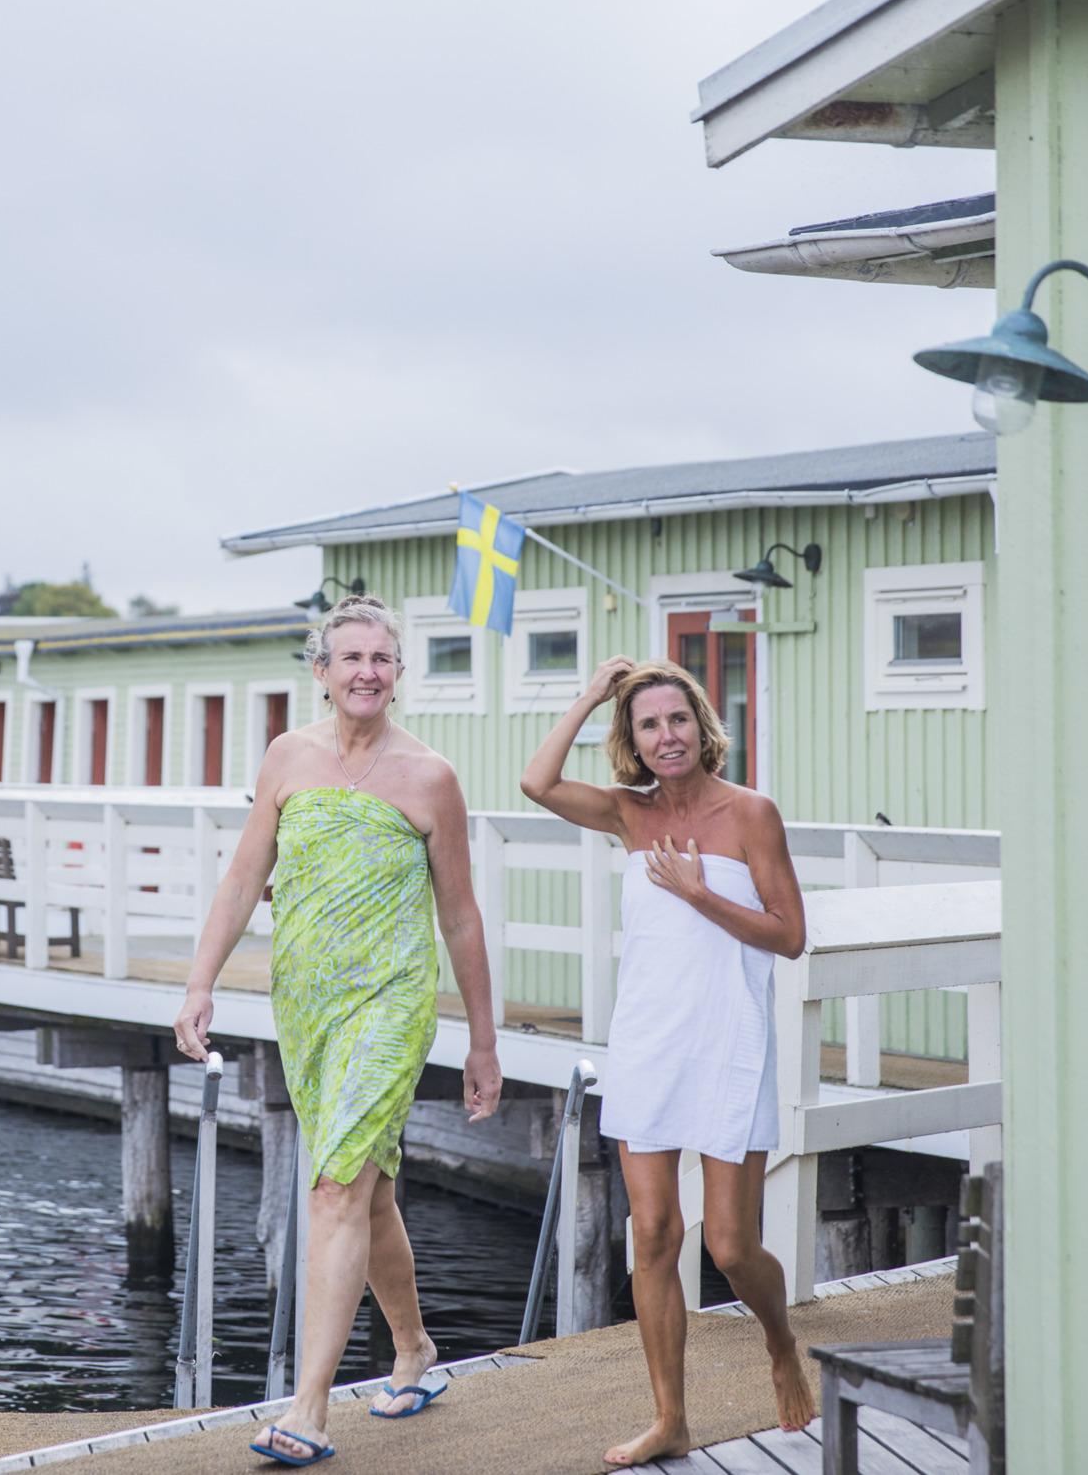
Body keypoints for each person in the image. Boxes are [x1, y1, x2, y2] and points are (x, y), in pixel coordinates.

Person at [172, 596, 502, 1467]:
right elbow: (245, 876)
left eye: (381, 659)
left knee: (331, 1190)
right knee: (366, 1190)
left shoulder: (431, 777)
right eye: (349, 657)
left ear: (398, 674)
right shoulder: (288, 756)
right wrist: (200, 982)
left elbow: (461, 918)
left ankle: (309, 1408)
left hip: (392, 1004)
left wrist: (482, 1039)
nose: (365, 671)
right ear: (320, 670)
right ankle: (417, 1348)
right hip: (306, 1010)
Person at [520, 654, 814, 1467]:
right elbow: (536, 783)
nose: (666, 735)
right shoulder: (627, 813)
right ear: (634, 740)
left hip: (728, 1041)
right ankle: (670, 1418)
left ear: (701, 724)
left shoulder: (752, 812)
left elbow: (791, 935)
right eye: (648, 724)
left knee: (728, 1243)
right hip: (648, 1041)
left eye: (677, 718)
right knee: (651, 1231)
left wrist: (699, 893)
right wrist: (589, 693)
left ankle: (781, 1341)